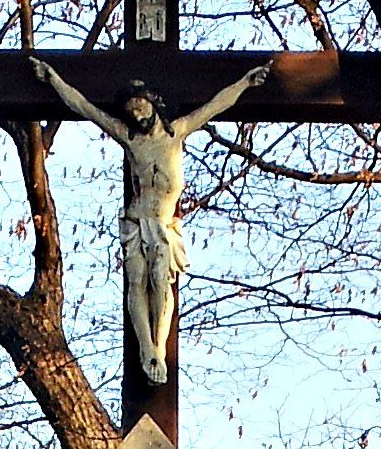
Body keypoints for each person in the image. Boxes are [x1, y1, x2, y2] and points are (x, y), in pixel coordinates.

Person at [30, 55, 271, 377]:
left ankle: (159, 348)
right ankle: (148, 350)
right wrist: (53, 79)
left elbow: (216, 105)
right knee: (137, 281)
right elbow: (85, 107)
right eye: (131, 110)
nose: (136, 114)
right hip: (135, 221)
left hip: (163, 224)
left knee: (160, 280)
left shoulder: (177, 132)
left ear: (153, 104)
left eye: (140, 106)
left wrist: (246, 82)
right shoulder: (129, 138)